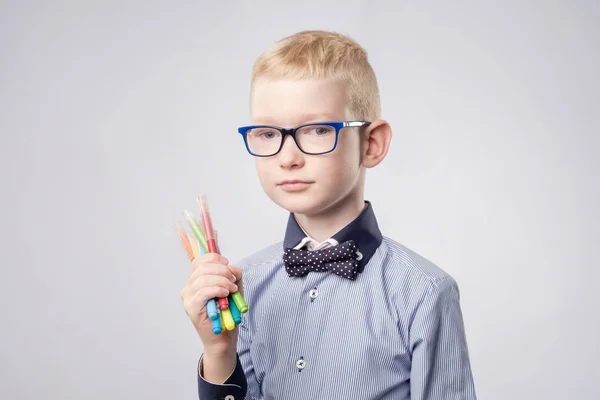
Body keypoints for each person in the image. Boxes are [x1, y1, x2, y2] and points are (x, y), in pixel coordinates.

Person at [180, 30, 477, 400]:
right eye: (269, 134)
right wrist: (218, 352)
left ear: (371, 143)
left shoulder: (425, 292)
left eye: (318, 129)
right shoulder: (245, 284)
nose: (288, 157)